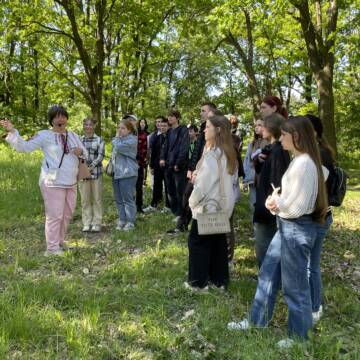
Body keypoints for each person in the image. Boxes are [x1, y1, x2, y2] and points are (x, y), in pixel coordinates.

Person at [228, 116, 328, 347]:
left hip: (296, 228)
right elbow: (295, 198)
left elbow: (300, 207)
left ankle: (299, 337)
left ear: (297, 136)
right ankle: (257, 320)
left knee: (295, 286)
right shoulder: (299, 160)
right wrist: (279, 200)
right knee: (268, 274)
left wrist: (276, 203)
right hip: (287, 226)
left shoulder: (305, 163)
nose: (280, 137)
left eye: (284, 134)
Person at [0, 106, 87, 256]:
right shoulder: (44, 135)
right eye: (56, 117)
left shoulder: (73, 135)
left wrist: (81, 153)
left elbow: (84, 152)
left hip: (71, 181)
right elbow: (24, 147)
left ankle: (59, 242)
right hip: (52, 182)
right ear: (51, 120)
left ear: (66, 119)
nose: (60, 120)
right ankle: (52, 249)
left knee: (67, 214)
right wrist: (13, 131)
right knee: (55, 215)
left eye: (63, 116)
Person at [186, 115, 238, 291]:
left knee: (198, 243)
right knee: (217, 245)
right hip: (222, 206)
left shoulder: (212, 155)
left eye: (207, 127)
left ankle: (198, 284)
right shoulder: (228, 153)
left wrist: (192, 201)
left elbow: (203, 185)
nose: (204, 130)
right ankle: (219, 281)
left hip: (207, 206)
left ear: (218, 130)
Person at [167, 102, 217, 235]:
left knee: (203, 201)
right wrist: (191, 168)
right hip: (197, 170)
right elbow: (197, 152)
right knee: (187, 195)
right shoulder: (203, 128)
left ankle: (206, 231)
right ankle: (182, 225)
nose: (201, 113)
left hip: (209, 174)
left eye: (203, 111)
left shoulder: (218, 128)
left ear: (211, 112)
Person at [306, 114, 336, 322]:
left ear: (313, 132)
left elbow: (316, 187)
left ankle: (315, 307)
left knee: (311, 265)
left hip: (318, 218)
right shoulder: (309, 153)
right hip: (310, 217)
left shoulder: (322, 154)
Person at [253, 113, 290, 267]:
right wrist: (259, 161)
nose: (260, 130)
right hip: (265, 202)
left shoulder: (278, 151)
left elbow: (277, 181)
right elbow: (262, 172)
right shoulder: (270, 150)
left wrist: (270, 203)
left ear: (271, 128)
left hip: (268, 206)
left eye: (263, 126)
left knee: (264, 244)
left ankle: (268, 277)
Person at [160, 110, 190, 223]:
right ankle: (174, 211)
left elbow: (184, 147)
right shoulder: (169, 131)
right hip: (168, 165)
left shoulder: (183, 130)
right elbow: (165, 147)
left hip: (179, 166)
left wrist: (178, 163)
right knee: (170, 190)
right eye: (169, 116)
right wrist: (162, 158)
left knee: (180, 191)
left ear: (177, 118)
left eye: (172, 116)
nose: (169, 118)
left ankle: (181, 214)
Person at [78, 118, 105, 232]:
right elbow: (77, 154)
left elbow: (101, 155)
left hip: (96, 173)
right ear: (83, 126)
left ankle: (97, 222)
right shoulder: (79, 140)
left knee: (97, 198)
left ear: (94, 126)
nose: (88, 127)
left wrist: (91, 166)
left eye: (90, 125)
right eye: (86, 125)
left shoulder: (99, 140)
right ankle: (87, 222)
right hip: (83, 173)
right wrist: (85, 167)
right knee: (85, 199)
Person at [111, 119, 138, 231]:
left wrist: (116, 138)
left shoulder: (132, 140)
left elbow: (118, 147)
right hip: (116, 172)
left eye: (123, 128)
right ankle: (122, 219)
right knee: (118, 198)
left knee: (128, 199)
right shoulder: (119, 140)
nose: (120, 130)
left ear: (129, 130)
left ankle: (130, 221)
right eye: (119, 128)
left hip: (128, 173)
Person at [144, 117, 170, 212]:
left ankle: (168, 206)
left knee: (168, 186)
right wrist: (151, 166)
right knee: (156, 186)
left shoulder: (170, 135)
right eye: (157, 122)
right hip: (156, 165)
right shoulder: (154, 136)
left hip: (167, 165)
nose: (159, 124)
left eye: (161, 122)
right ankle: (154, 204)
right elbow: (152, 152)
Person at [242, 119, 267, 215]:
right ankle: (254, 228)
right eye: (255, 125)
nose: (256, 127)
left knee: (264, 207)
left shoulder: (269, 143)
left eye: (259, 125)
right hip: (253, 180)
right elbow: (247, 162)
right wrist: (245, 180)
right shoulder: (252, 143)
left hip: (264, 181)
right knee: (253, 206)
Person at [136, 118, 148, 213]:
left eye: (144, 122)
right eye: (141, 122)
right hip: (132, 163)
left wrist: (145, 159)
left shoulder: (147, 134)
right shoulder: (134, 134)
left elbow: (147, 149)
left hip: (141, 163)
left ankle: (139, 206)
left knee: (139, 186)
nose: (142, 124)